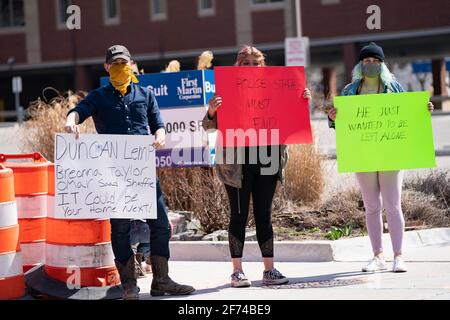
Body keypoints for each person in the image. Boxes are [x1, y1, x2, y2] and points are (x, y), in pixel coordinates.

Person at [64, 45, 195, 299]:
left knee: (161, 225)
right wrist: (71, 122)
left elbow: (159, 125)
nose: (120, 67)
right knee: (120, 229)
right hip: (113, 174)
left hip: (143, 172)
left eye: (124, 63)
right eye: (115, 64)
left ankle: (162, 280)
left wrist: (159, 135)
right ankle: (129, 284)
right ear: (106, 67)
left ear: (132, 64)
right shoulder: (99, 96)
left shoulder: (145, 95)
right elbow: (79, 111)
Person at [202, 45, 312, 287]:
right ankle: (237, 271)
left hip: (268, 159)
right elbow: (208, 127)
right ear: (238, 66)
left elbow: (294, 120)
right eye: (246, 63)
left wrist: (301, 100)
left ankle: (269, 270)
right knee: (238, 215)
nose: (251, 67)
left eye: (256, 63)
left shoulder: (277, 89)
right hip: (236, 164)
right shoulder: (228, 92)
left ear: (263, 66)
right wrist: (211, 111)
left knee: (264, 215)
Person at [327, 42, 434, 273]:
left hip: (390, 154)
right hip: (362, 154)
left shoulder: (394, 88)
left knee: (393, 205)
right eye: (367, 61)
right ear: (360, 64)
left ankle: (398, 255)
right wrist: (333, 116)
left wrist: (423, 110)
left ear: (382, 64)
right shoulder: (349, 91)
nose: (371, 65)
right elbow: (338, 125)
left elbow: (409, 117)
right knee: (372, 206)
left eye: (375, 61)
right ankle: (377, 255)